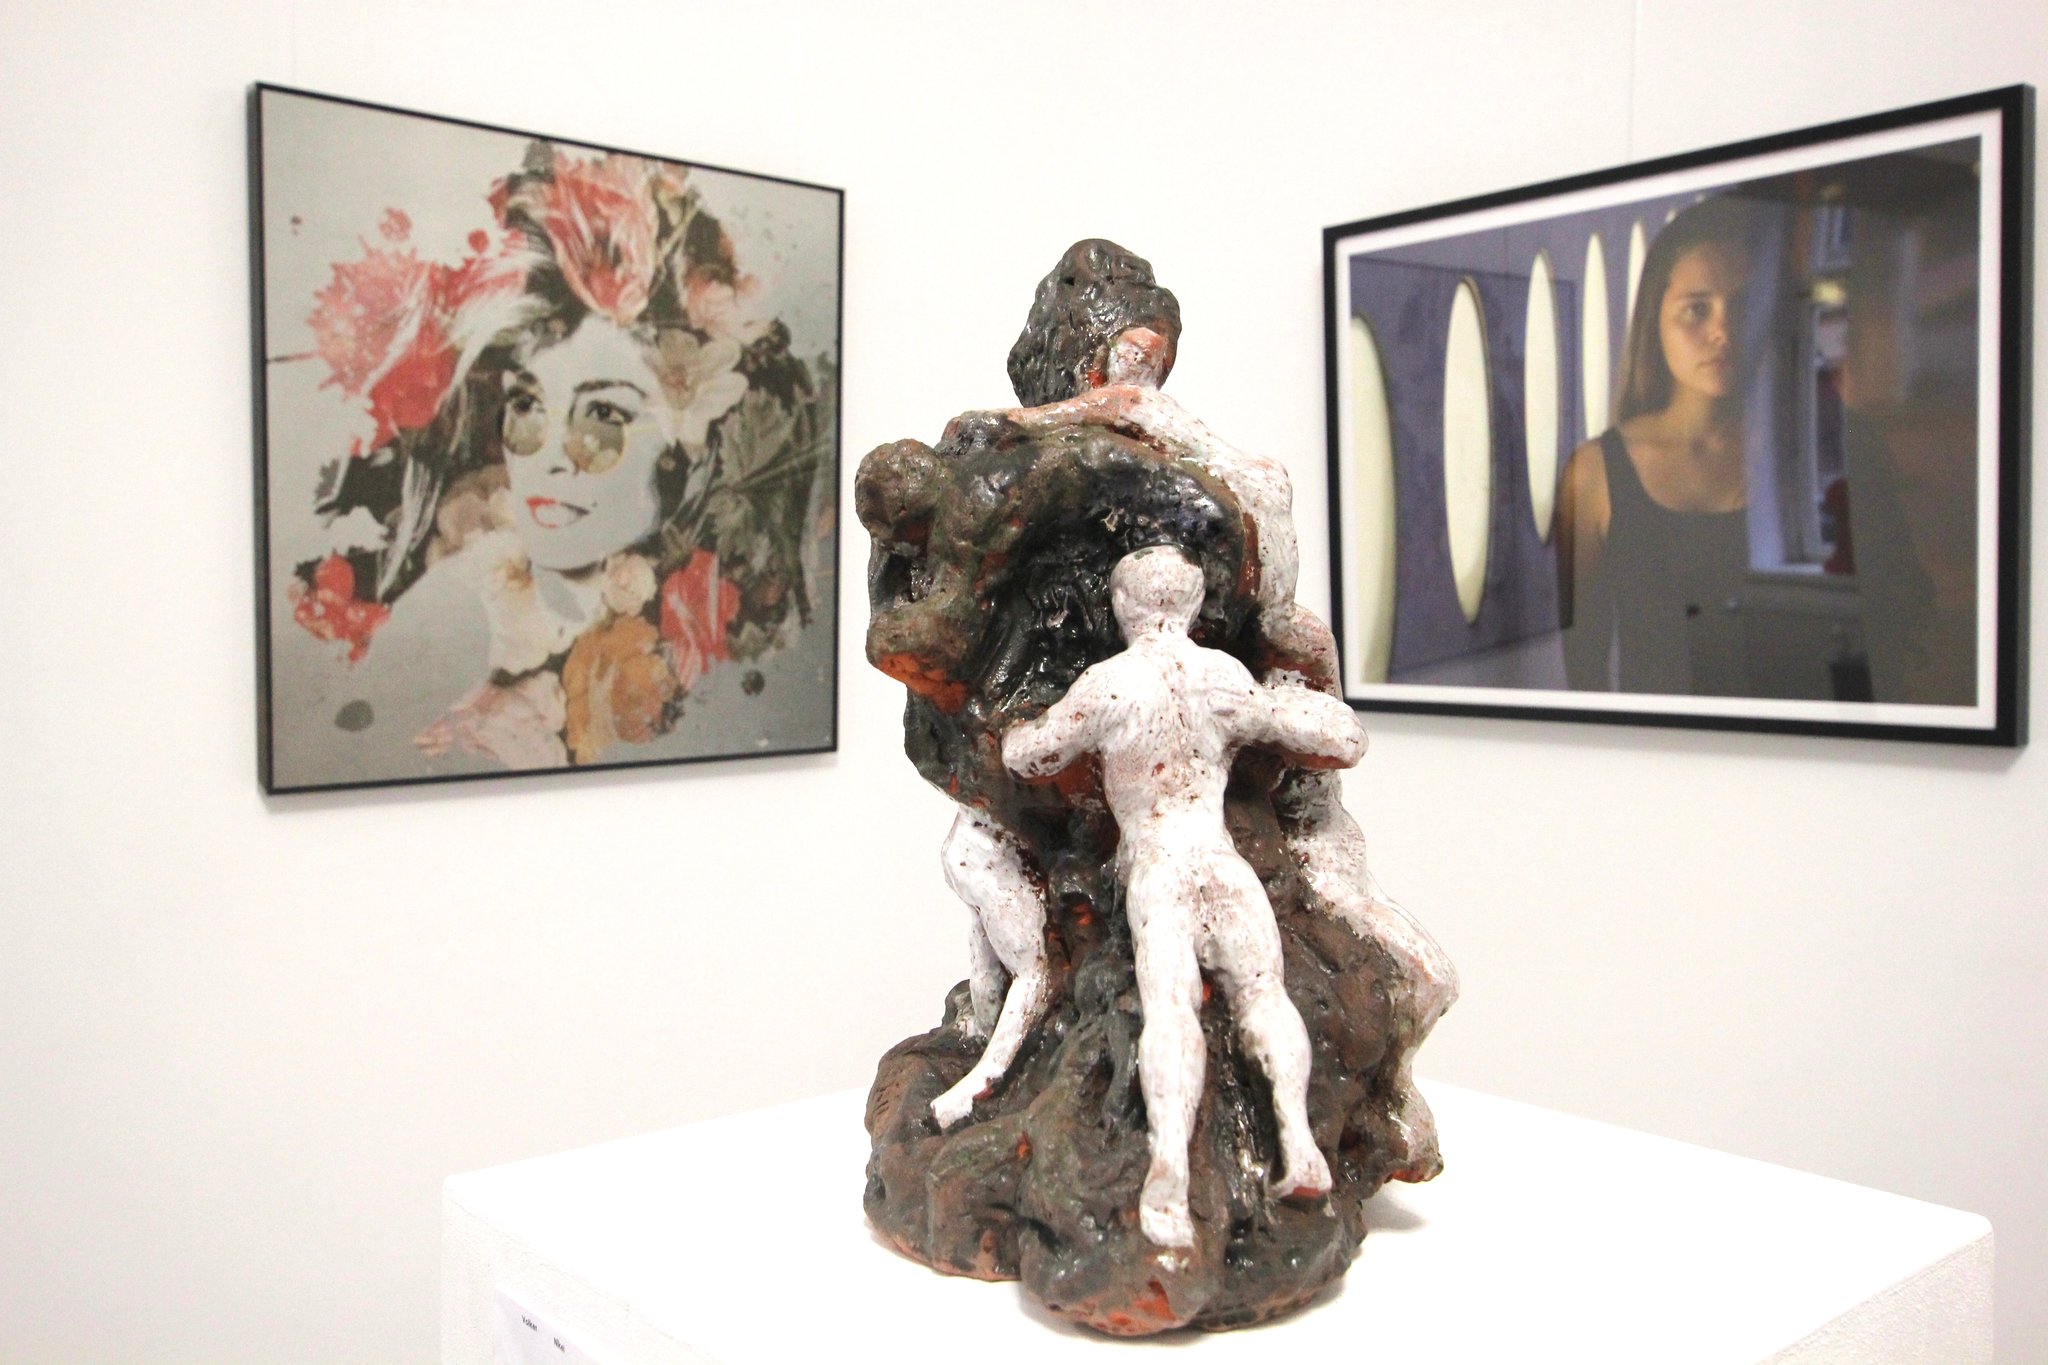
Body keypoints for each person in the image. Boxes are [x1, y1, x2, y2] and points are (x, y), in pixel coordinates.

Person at [285, 146, 830, 769]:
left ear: (687, 450)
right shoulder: (444, 630)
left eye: (604, 416)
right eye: (527, 406)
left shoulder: (713, 658)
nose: (550, 457)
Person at [1004, 546, 1368, 1249]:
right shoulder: (1222, 676)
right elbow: (1315, 731)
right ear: (1194, 605)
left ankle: (1168, 1166)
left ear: (1122, 606)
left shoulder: (1108, 684)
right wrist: (1311, 707)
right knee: (1263, 994)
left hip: (1161, 867)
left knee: (1171, 1009)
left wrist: (1018, 732)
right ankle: (1296, 1140)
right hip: (1221, 860)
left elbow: (1033, 754)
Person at [1559, 195, 1758, 694]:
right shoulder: (1596, 472)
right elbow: (1584, 668)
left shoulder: (1796, 456)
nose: (1723, 332)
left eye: (1743, 305)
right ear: (1656, 318)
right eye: (1697, 309)